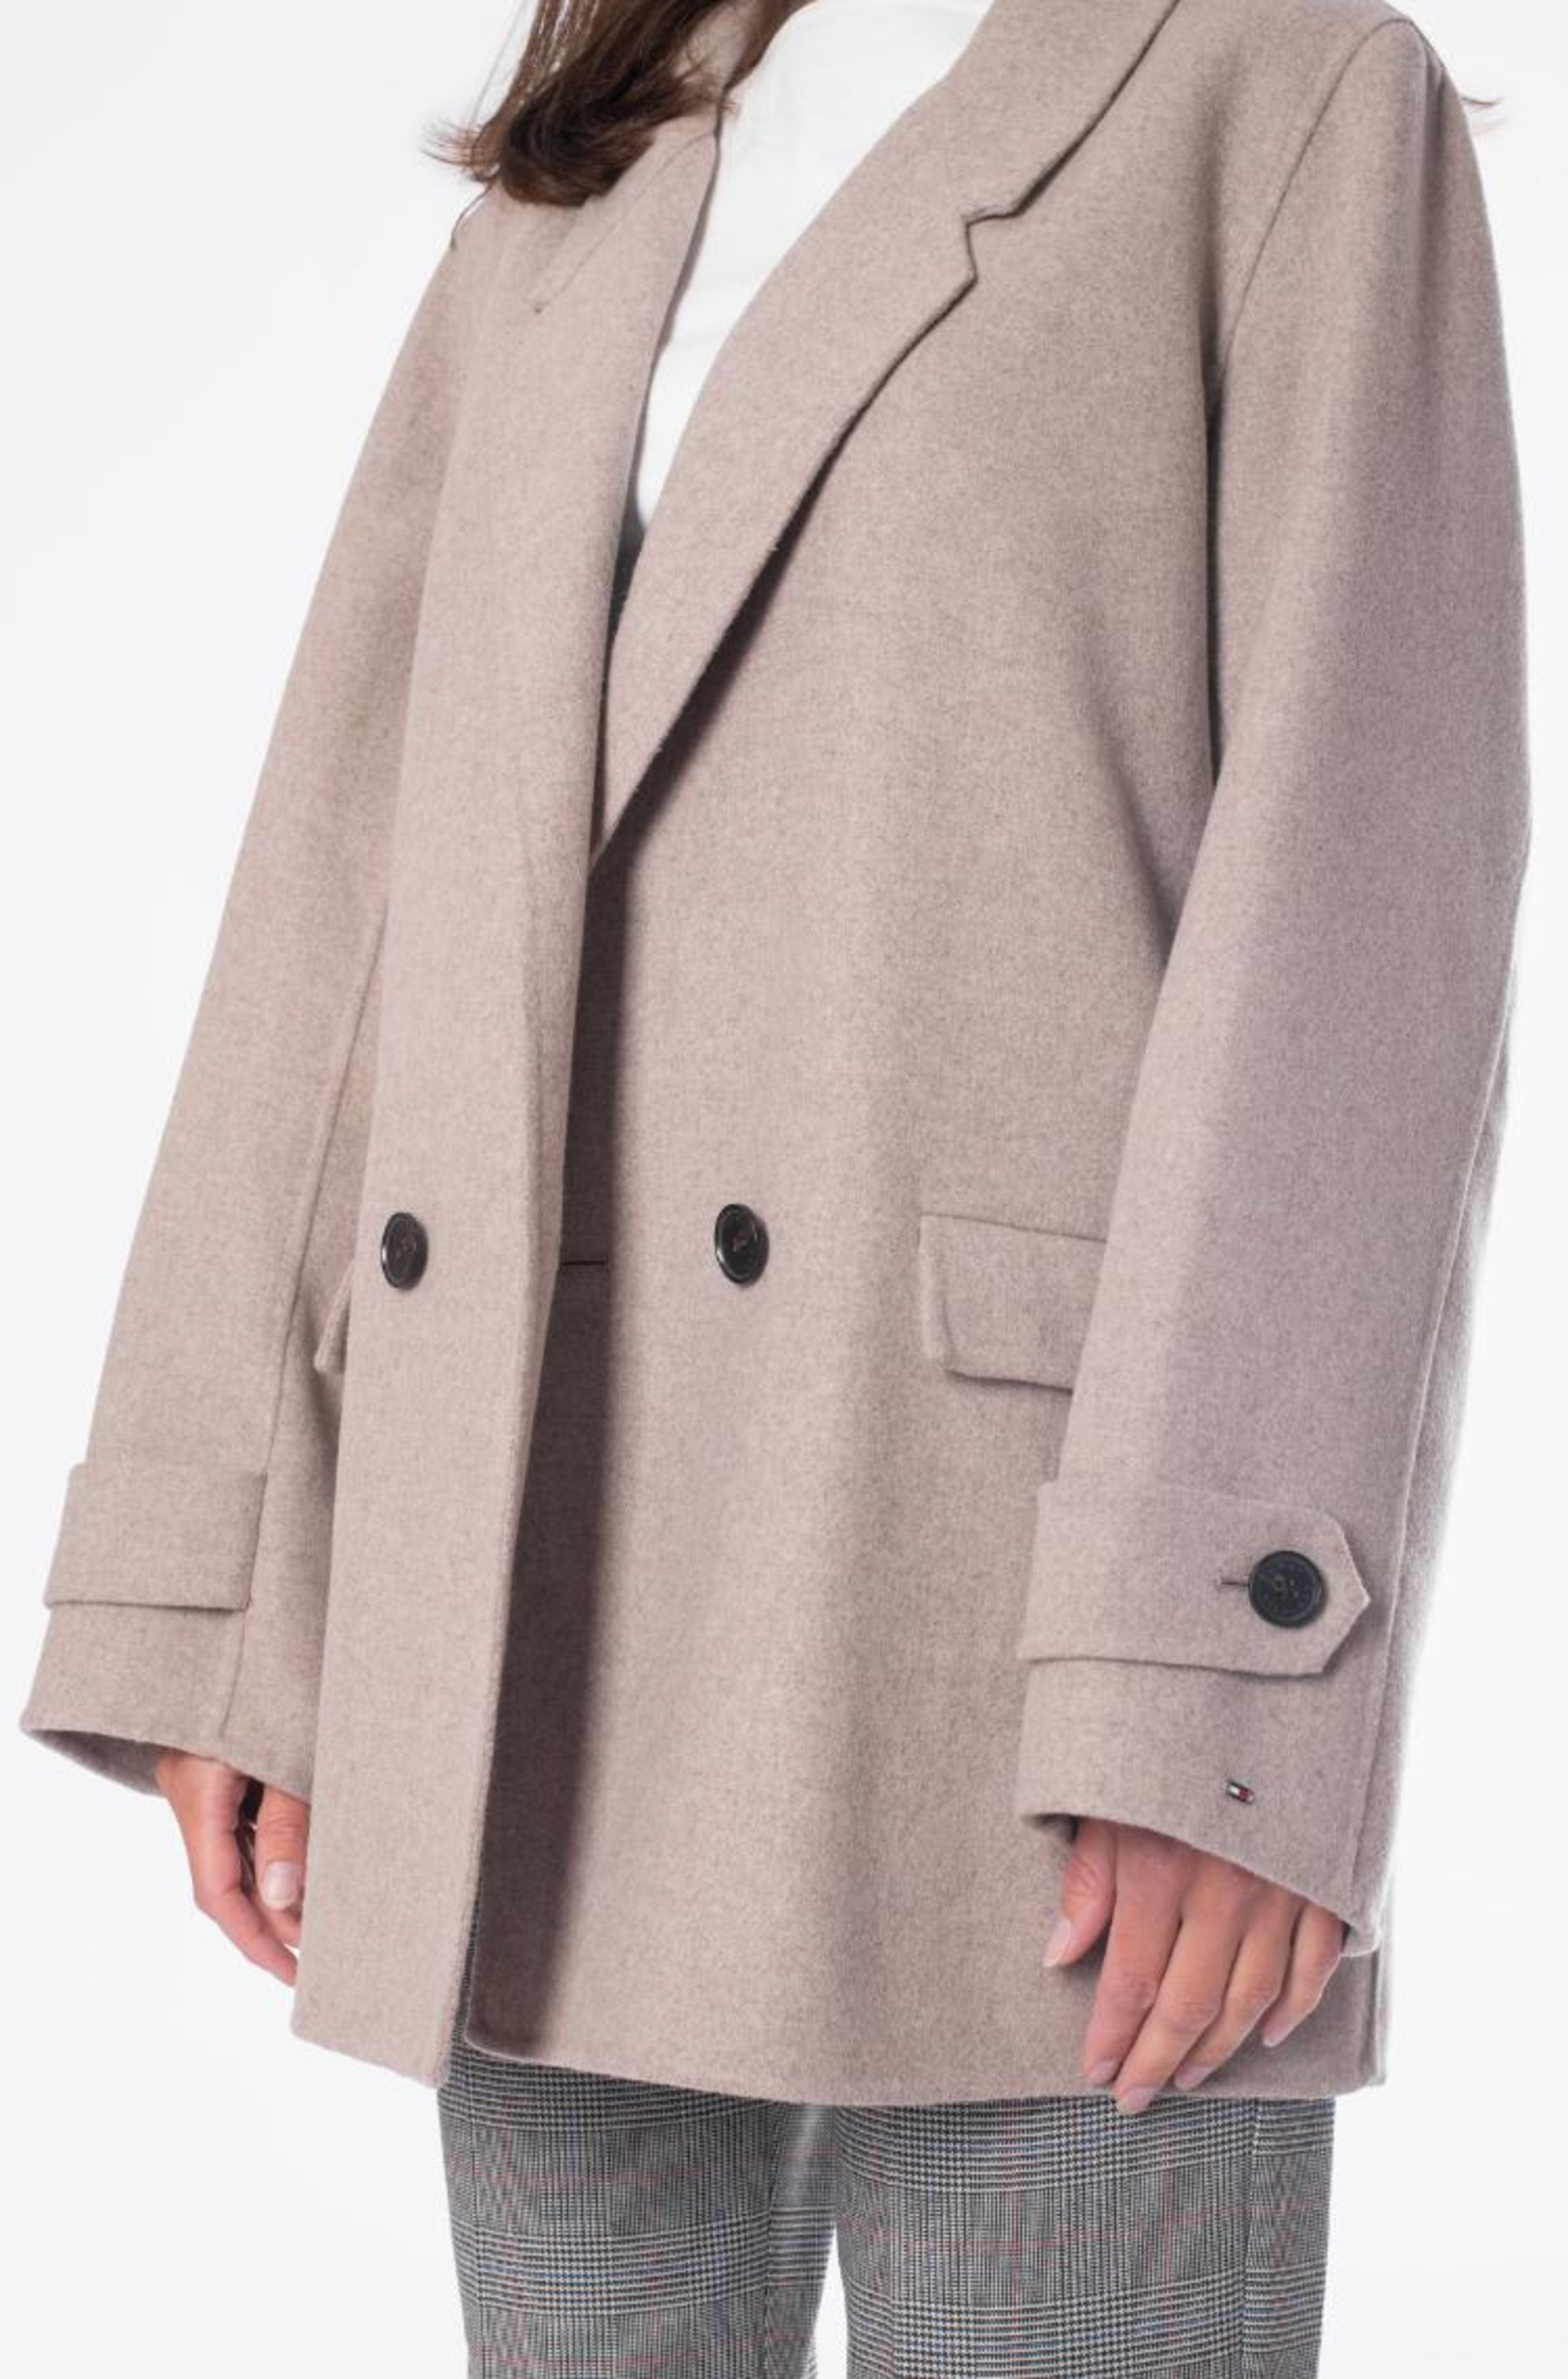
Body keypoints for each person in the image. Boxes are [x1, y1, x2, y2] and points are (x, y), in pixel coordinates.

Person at [17, 0, 1530, 2370]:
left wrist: (1217, 1695)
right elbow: (356, 859)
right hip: (537, 1615)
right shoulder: (596, 151)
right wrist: (232, 1572)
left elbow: (1361, 902)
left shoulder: (1282, 87)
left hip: (1029, 1661)